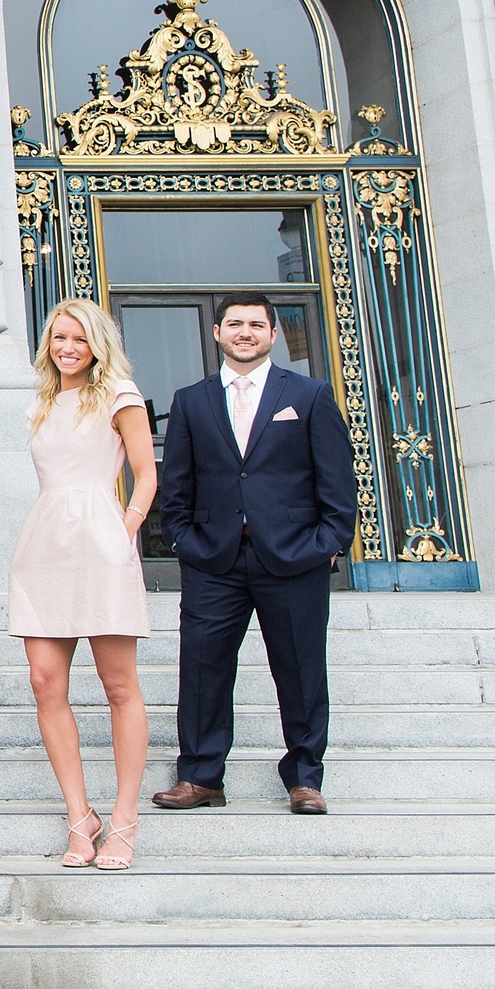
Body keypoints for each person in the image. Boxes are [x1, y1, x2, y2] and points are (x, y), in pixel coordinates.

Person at [151, 294, 357, 815]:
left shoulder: (308, 395)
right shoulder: (192, 401)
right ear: (217, 331)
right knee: (202, 667)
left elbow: (337, 480)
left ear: (272, 334)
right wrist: (183, 542)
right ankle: (200, 777)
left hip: (293, 560)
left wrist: (328, 544)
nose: (246, 332)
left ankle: (305, 777)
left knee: (301, 670)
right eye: (236, 324)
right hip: (215, 561)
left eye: (257, 325)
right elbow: (176, 486)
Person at [8, 300, 156, 870]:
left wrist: (126, 528)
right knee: (45, 682)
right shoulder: (41, 405)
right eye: (58, 337)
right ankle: (79, 816)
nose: (67, 347)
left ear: (97, 344)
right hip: (44, 546)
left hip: (102, 542)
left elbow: (145, 473)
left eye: (78, 338)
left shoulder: (120, 393)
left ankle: (123, 819)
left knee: (119, 686)